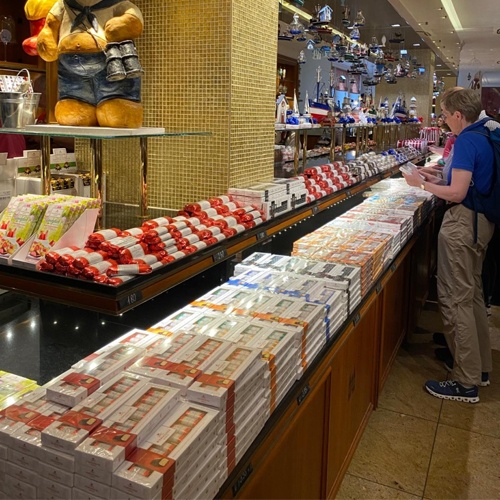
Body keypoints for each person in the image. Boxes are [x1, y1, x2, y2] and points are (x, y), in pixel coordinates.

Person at [402, 87, 495, 403]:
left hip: (463, 225)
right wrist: (436, 176)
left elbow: (457, 193)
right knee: (472, 296)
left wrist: (421, 184)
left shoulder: (467, 139)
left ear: (458, 114)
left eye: (444, 114)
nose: (442, 121)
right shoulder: (484, 132)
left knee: (456, 300)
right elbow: (464, 180)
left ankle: (465, 381)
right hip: (480, 223)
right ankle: (480, 368)